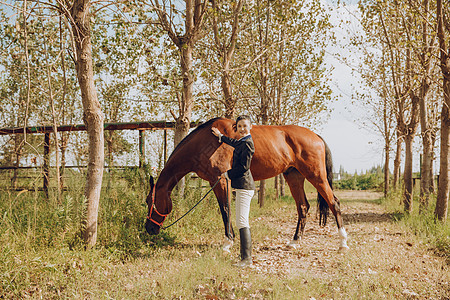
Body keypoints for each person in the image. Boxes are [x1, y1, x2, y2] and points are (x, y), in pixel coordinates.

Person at [211, 115, 255, 268]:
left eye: (245, 126)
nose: (242, 129)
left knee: (242, 221)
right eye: (240, 126)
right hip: (242, 186)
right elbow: (235, 143)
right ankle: (244, 257)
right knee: (240, 221)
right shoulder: (242, 142)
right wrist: (221, 137)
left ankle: (247, 259)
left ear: (250, 127)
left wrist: (227, 174)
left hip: (245, 186)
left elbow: (244, 168)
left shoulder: (248, 144)